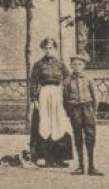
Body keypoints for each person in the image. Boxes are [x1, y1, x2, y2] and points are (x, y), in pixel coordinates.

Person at [27, 37, 74, 168]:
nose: (48, 50)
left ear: (55, 49)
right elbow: (33, 82)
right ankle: (46, 158)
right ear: (43, 49)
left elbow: (68, 79)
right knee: (45, 123)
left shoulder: (60, 64)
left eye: (51, 48)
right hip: (44, 94)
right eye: (46, 48)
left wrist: (65, 93)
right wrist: (34, 99)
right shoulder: (38, 65)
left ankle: (60, 158)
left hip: (57, 95)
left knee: (58, 124)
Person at [61, 53, 102, 176]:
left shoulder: (89, 79)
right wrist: (70, 112)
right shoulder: (67, 81)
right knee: (78, 137)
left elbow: (95, 97)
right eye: (74, 64)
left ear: (84, 66)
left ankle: (92, 167)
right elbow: (64, 99)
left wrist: (94, 111)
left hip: (87, 108)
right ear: (71, 66)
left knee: (90, 137)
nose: (77, 67)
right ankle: (81, 167)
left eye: (80, 64)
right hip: (75, 110)